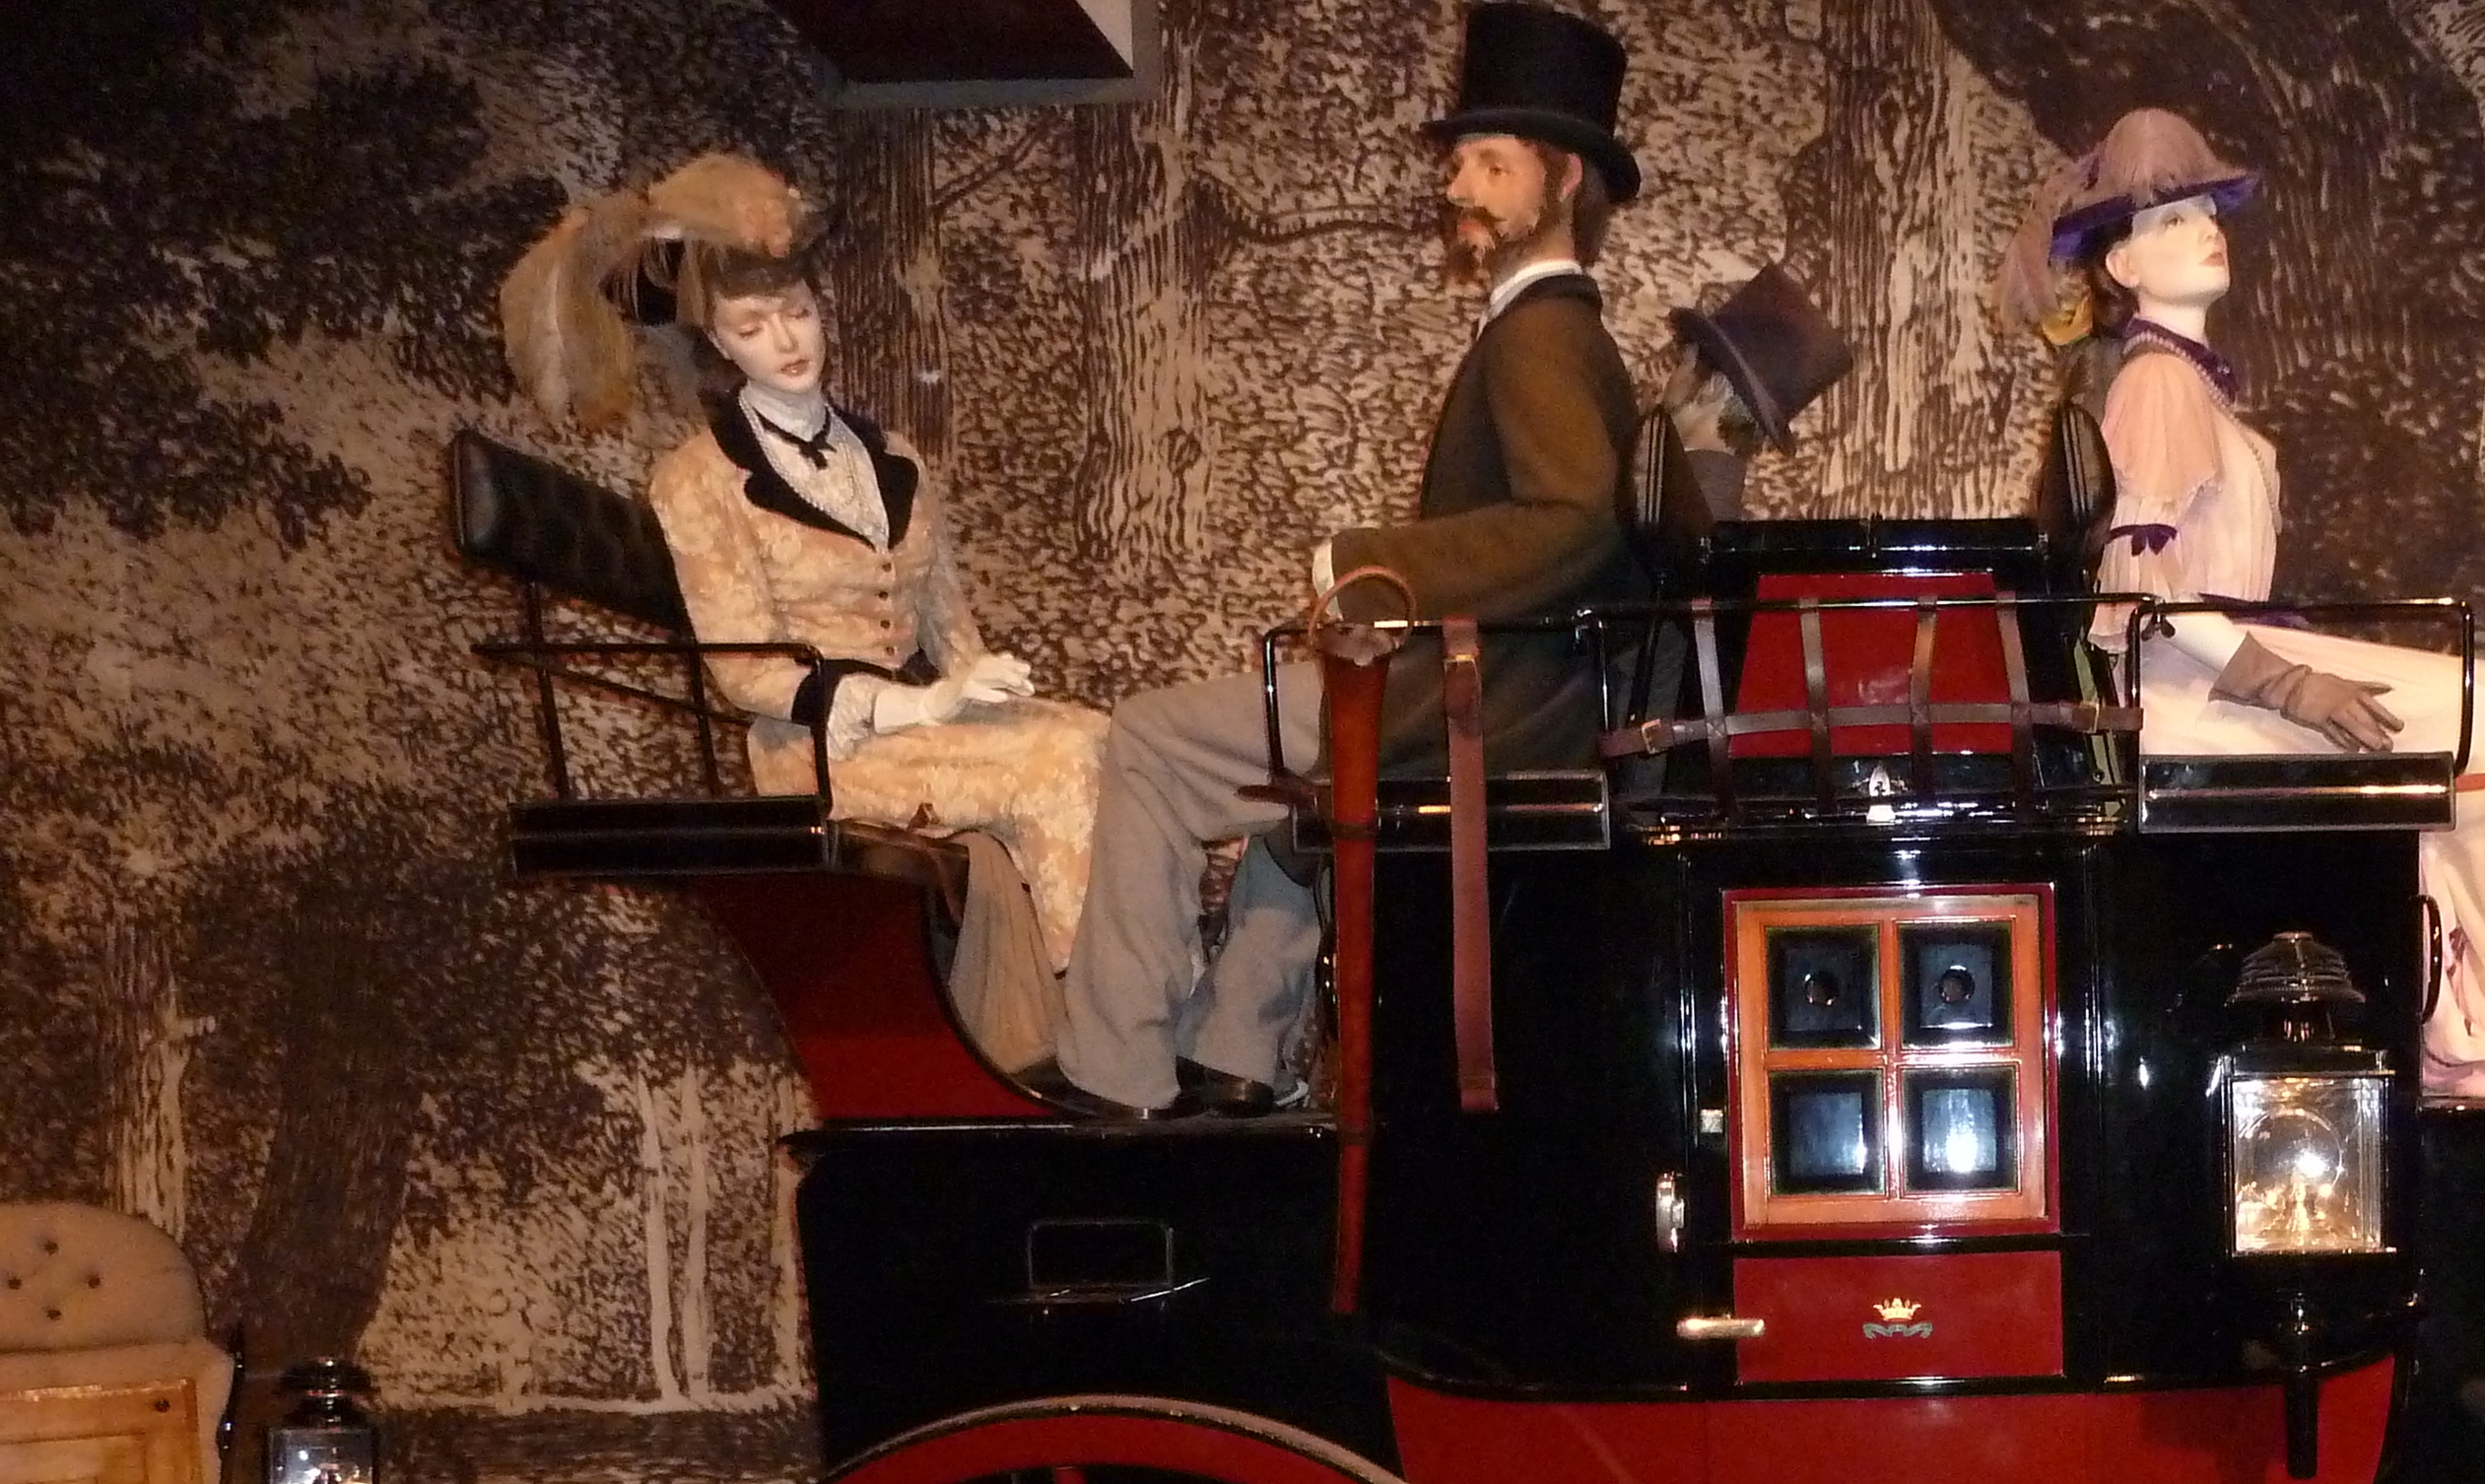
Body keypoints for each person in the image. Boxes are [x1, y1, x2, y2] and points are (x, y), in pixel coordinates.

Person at [1998, 112, 2485, 1128]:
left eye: (2208, 208)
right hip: (2190, 685)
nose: (2206, 228)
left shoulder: (2190, 384)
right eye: (2171, 218)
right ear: (2122, 260)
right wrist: (2287, 682)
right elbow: (2141, 593)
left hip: (2225, 661)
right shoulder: (2155, 382)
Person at [1046, 3, 1648, 1118]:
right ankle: (1235, 1048)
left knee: (1147, 739)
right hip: (1512, 690)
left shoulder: (1541, 336)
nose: (1458, 187)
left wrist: (1361, 558)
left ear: (1563, 182)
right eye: (1458, 162)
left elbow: (1574, 522)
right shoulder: (1562, 333)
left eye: (1489, 163)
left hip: (1479, 703)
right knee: (1295, 814)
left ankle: (1112, 1066)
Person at [502, 156, 1104, 1074]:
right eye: (753, 324)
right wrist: (917, 707)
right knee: (1058, 763)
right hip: (820, 751)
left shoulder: (891, 454)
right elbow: (747, 674)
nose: (786, 338)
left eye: (798, 312)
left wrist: (975, 687)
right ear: (722, 345)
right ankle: (1096, 1038)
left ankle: (1120, 1019)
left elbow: (950, 623)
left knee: (1110, 739)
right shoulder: (699, 479)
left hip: (927, 730)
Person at [1657, 262, 1856, 524]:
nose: (1668, 379)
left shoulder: (1673, 518)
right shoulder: (1704, 509)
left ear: (1713, 388)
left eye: (1682, 360)